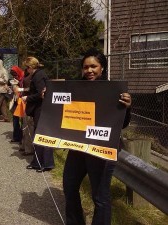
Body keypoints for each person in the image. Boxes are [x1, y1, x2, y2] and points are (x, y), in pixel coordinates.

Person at [63, 48, 132, 225]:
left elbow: (122, 124)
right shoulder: (76, 88)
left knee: (100, 197)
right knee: (69, 187)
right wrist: (48, 99)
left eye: (94, 66)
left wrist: (127, 107)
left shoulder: (114, 91)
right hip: (79, 148)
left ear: (102, 68)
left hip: (102, 149)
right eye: (85, 67)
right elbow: (61, 109)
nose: (89, 70)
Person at [22, 56, 54, 172]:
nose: (26, 70)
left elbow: (41, 94)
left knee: (41, 136)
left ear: (30, 67)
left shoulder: (38, 76)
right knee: (39, 136)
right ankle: (38, 162)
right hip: (39, 109)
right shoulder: (38, 74)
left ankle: (45, 163)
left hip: (41, 109)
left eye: (26, 68)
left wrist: (27, 97)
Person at [9, 66, 24, 143]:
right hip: (16, 100)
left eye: (15, 75)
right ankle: (16, 136)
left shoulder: (23, 77)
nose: (15, 77)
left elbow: (25, 89)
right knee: (15, 119)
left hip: (21, 101)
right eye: (13, 76)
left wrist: (18, 88)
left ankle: (21, 137)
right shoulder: (17, 79)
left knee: (22, 120)